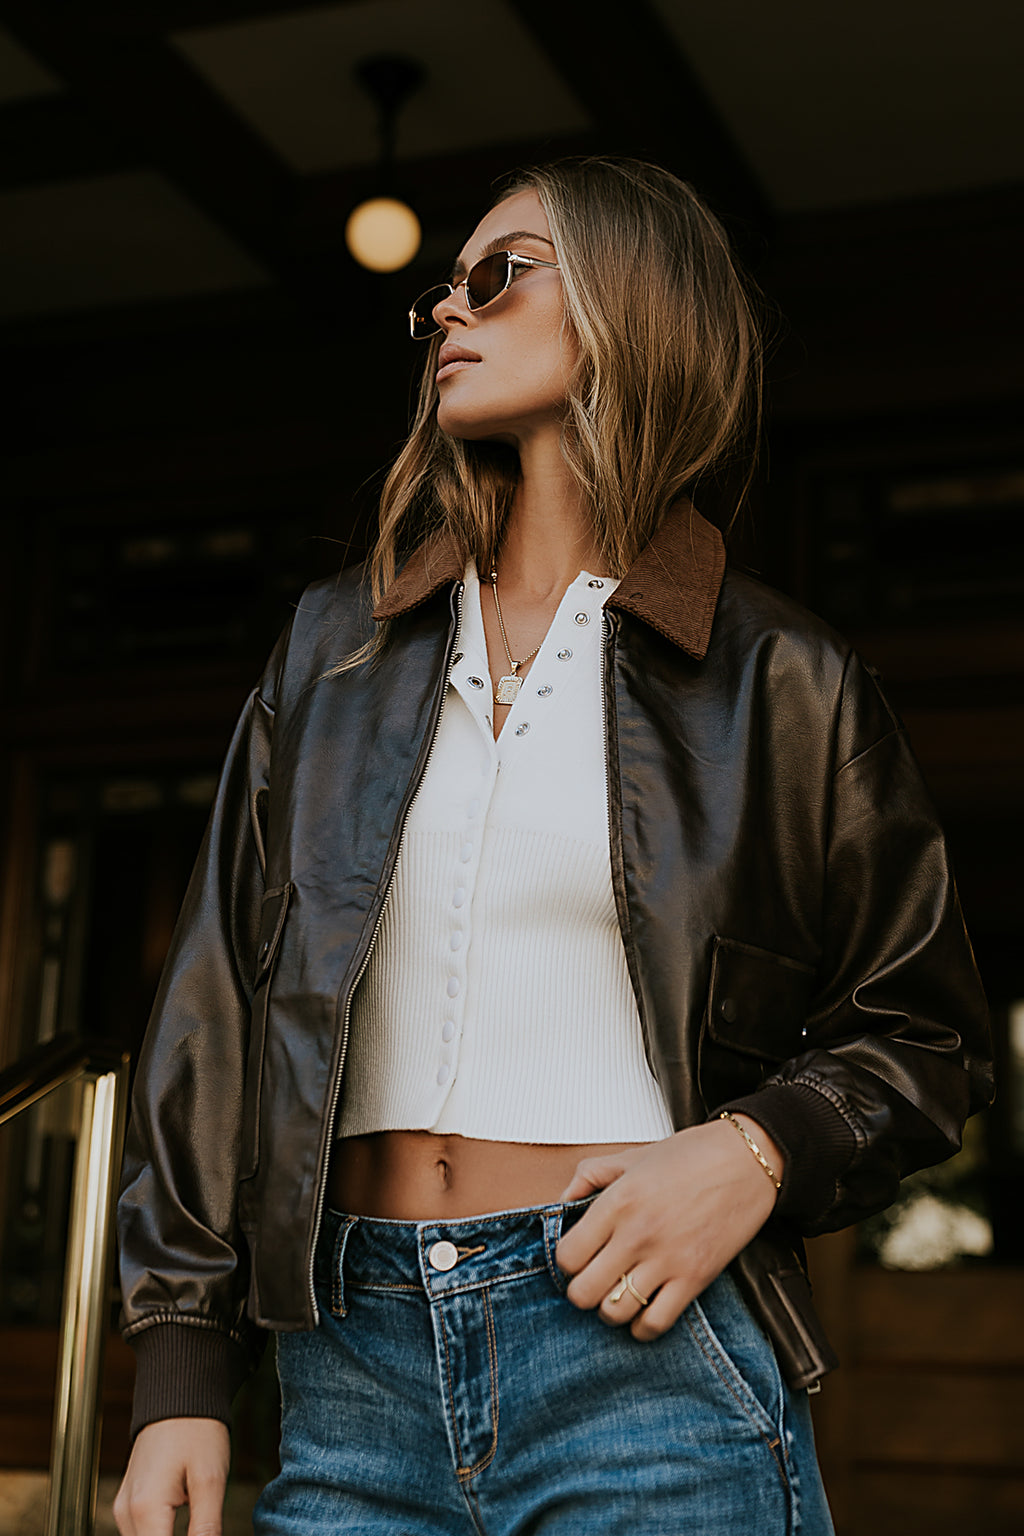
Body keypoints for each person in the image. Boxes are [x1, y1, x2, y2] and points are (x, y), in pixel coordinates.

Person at [113, 157, 992, 1536]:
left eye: (496, 275)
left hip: (644, 1361)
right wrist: (179, 1360)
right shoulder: (334, 649)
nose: (446, 314)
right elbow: (214, 1002)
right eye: (440, 293)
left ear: (633, 304)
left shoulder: (784, 680)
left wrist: (756, 1151)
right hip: (346, 1368)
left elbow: (926, 1035)